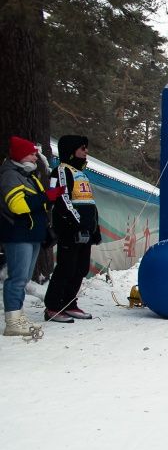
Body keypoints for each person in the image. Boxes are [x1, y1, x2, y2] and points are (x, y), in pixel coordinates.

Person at [2, 136, 61, 337]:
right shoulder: (10, 175)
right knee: (17, 279)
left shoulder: (28, 176)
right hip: (18, 234)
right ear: (19, 155)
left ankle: (18, 315)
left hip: (32, 233)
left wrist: (50, 199)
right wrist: (46, 196)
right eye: (31, 154)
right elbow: (18, 206)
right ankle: (12, 321)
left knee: (24, 277)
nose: (35, 158)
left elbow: (39, 204)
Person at [43, 135, 101, 322]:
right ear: (71, 150)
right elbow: (63, 200)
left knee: (81, 268)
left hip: (85, 231)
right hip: (70, 230)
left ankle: (69, 303)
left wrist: (95, 228)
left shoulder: (81, 173)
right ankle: (53, 306)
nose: (86, 152)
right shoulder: (61, 171)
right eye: (82, 148)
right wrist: (77, 225)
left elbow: (89, 203)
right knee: (66, 267)